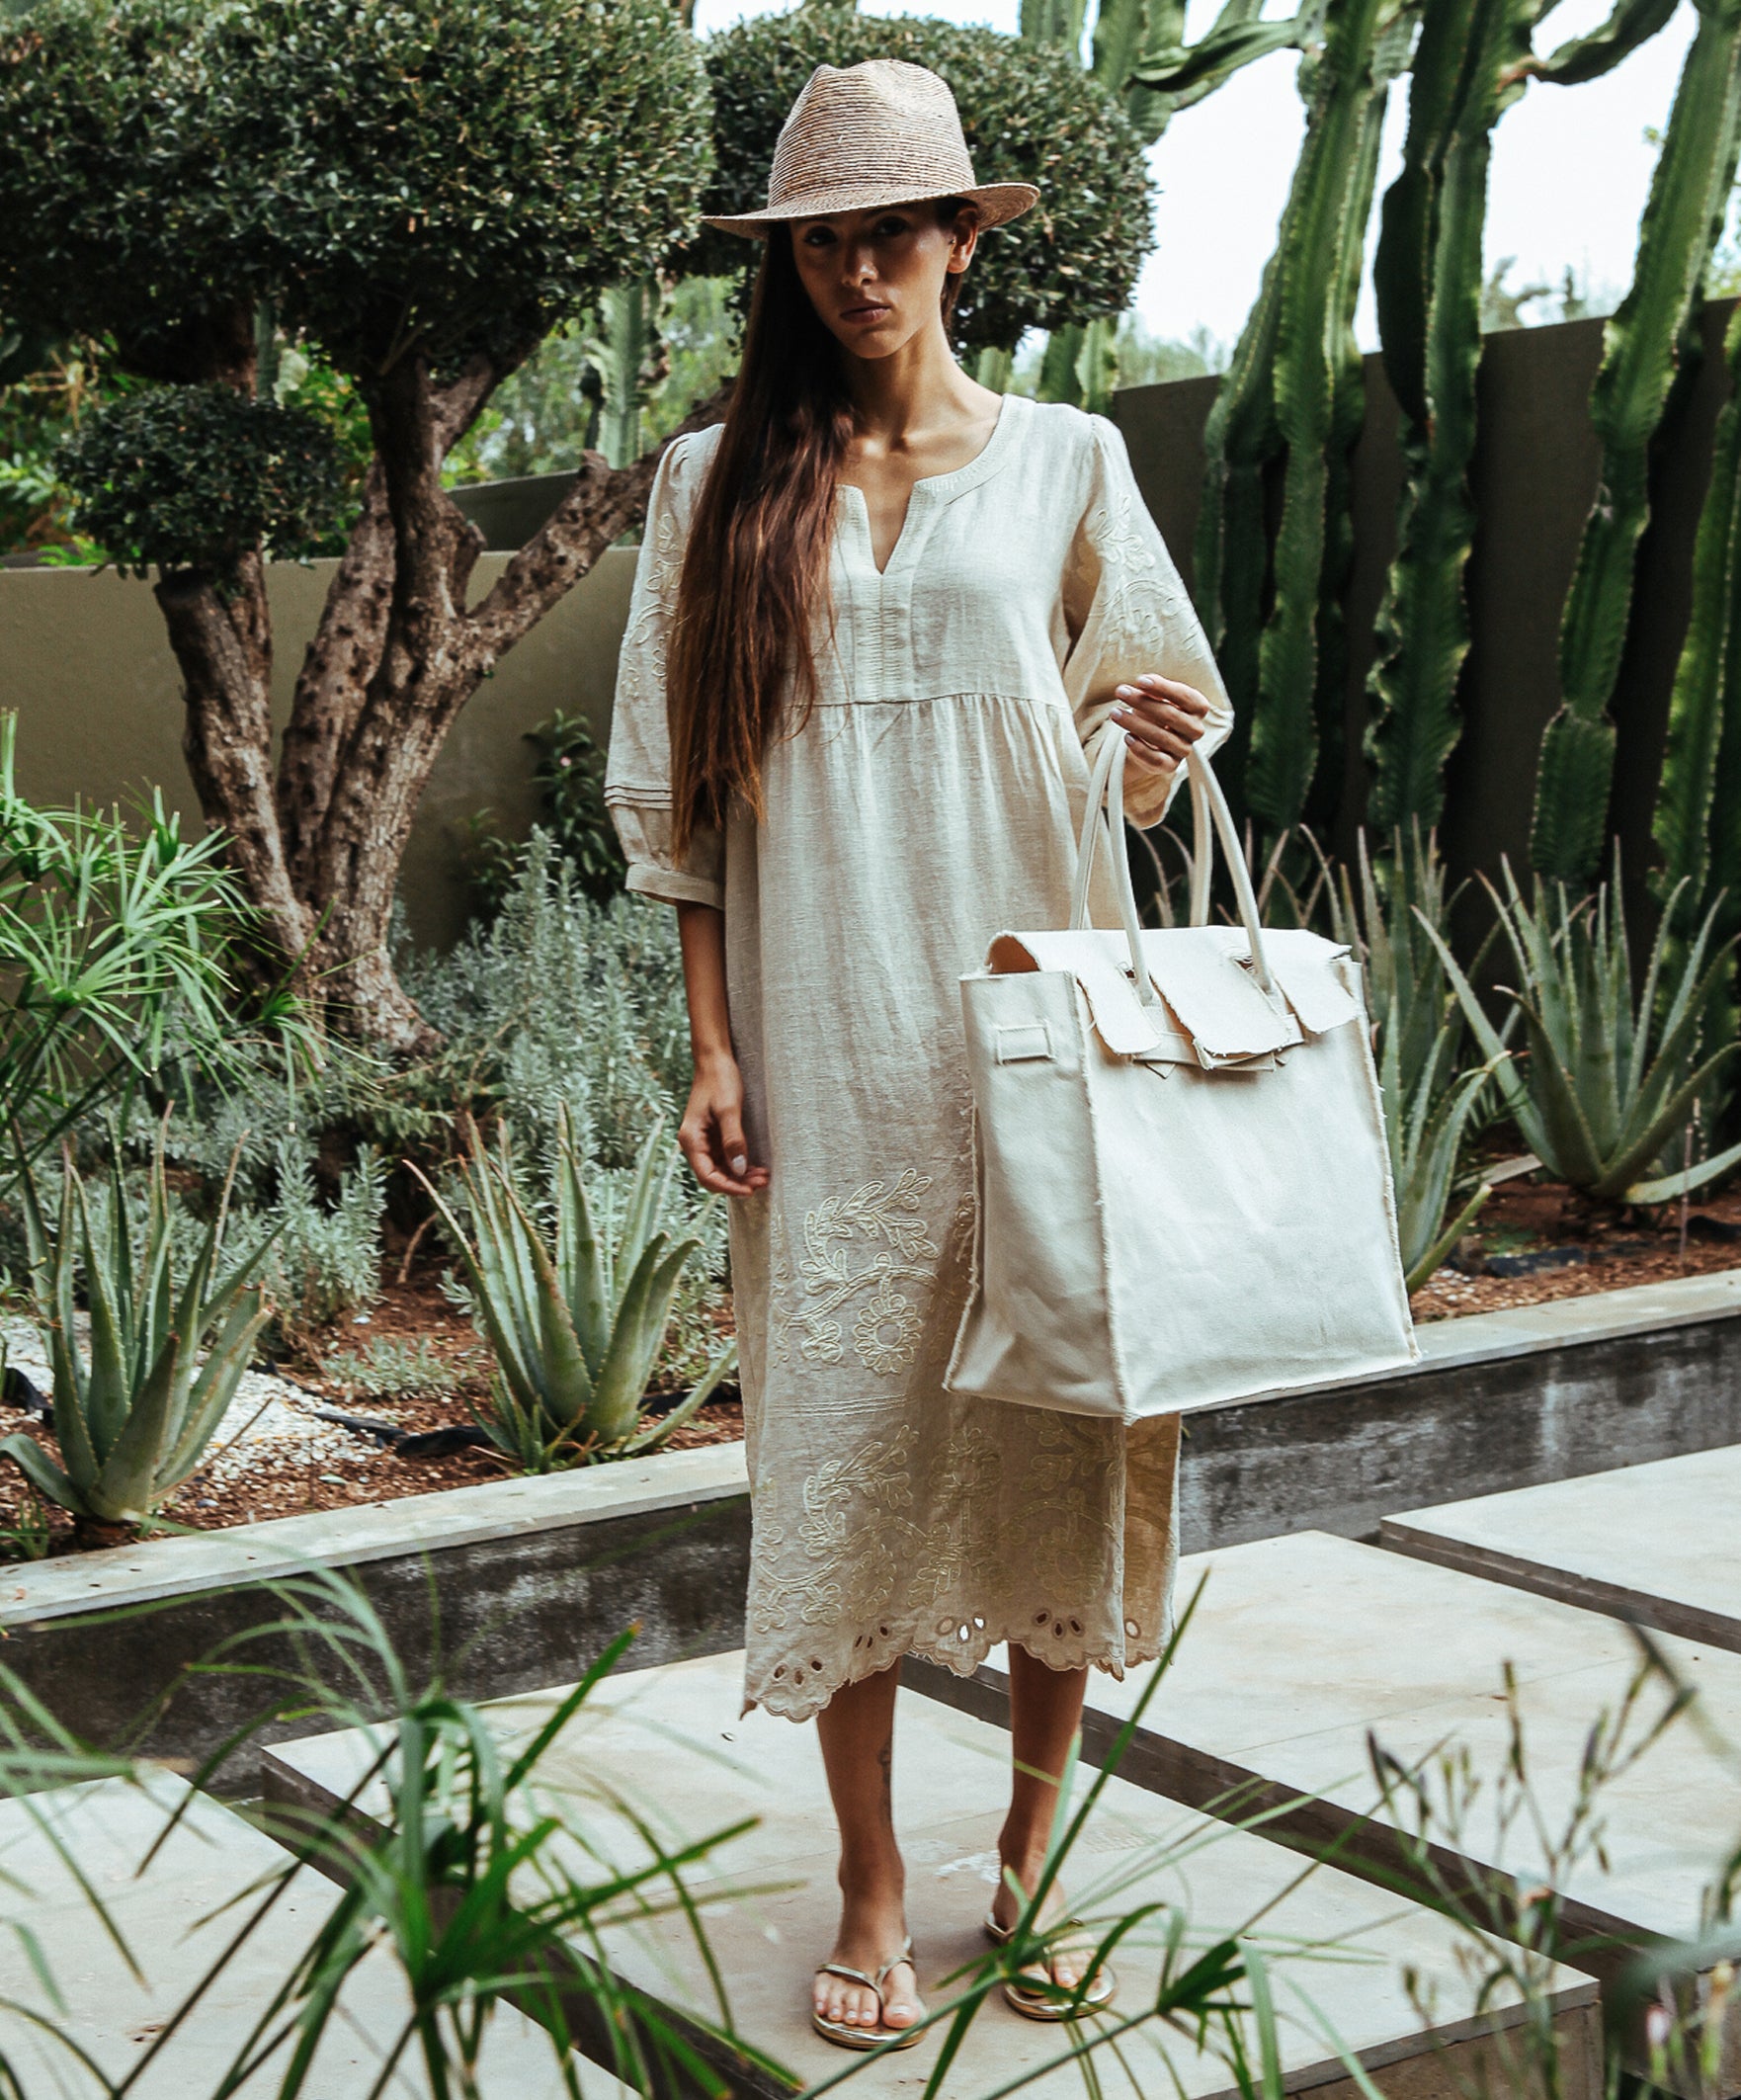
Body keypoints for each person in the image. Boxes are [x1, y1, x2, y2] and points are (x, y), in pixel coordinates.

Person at [605, 56, 1231, 2055]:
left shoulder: (1064, 464)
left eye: (894, 230)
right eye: (821, 239)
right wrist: (708, 1044)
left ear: (964, 239)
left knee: (1055, 1434)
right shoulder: (710, 486)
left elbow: (1140, 761)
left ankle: (1028, 1858)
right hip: (826, 1046)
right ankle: (874, 1873)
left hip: (1029, 1031)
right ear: (783, 261)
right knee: (849, 1443)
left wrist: (1149, 745)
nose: (859, 269)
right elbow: (683, 794)